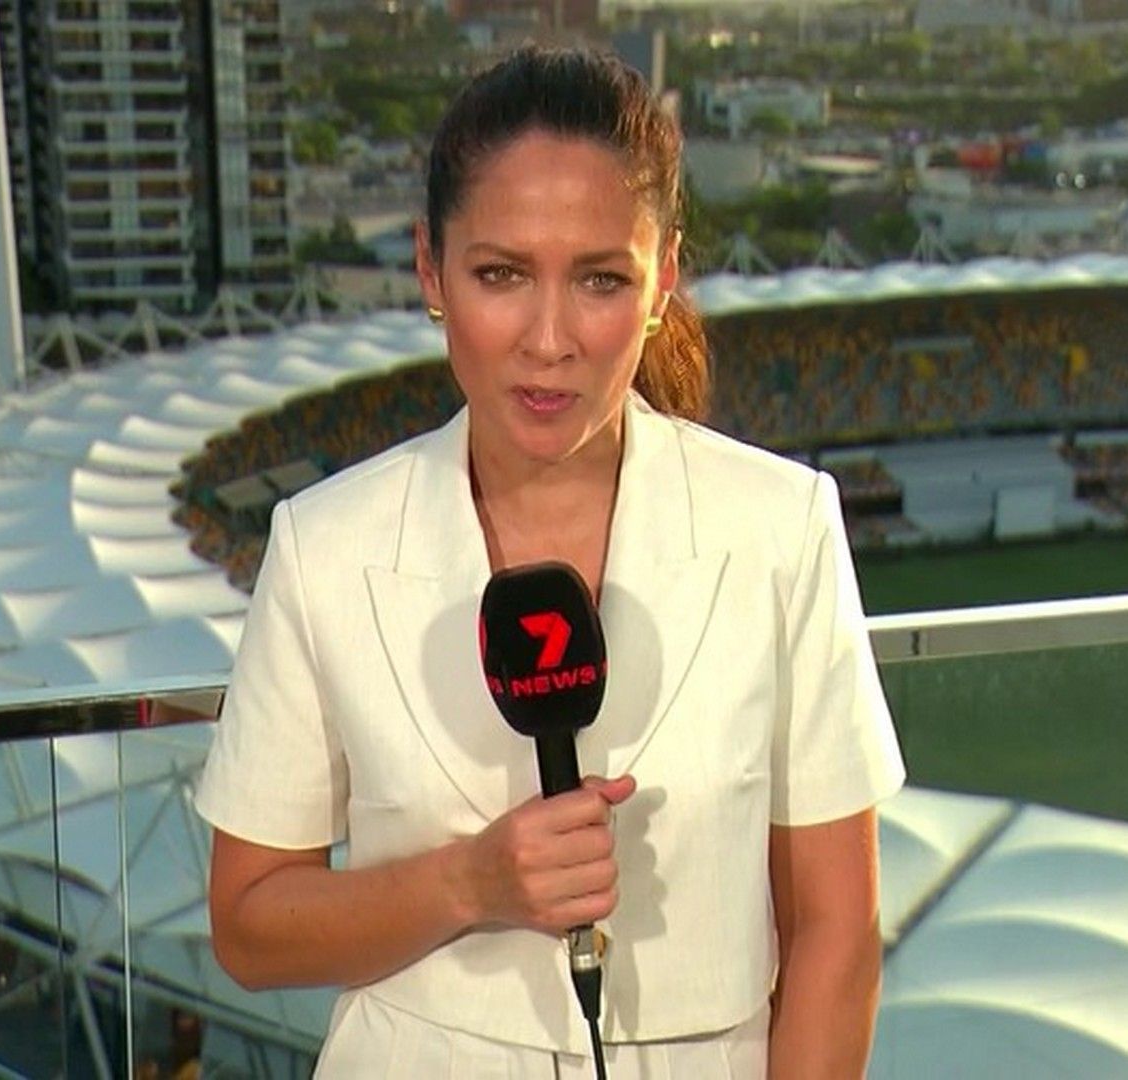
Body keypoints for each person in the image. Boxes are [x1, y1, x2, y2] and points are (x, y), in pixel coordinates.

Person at [194, 46, 905, 1078]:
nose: (549, 338)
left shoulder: (780, 528)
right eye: (501, 275)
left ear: (663, 281)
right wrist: (470, 884)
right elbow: (250, 926)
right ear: (431, 272)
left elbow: (837, 932)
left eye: (601, 280)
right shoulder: (324, 545)